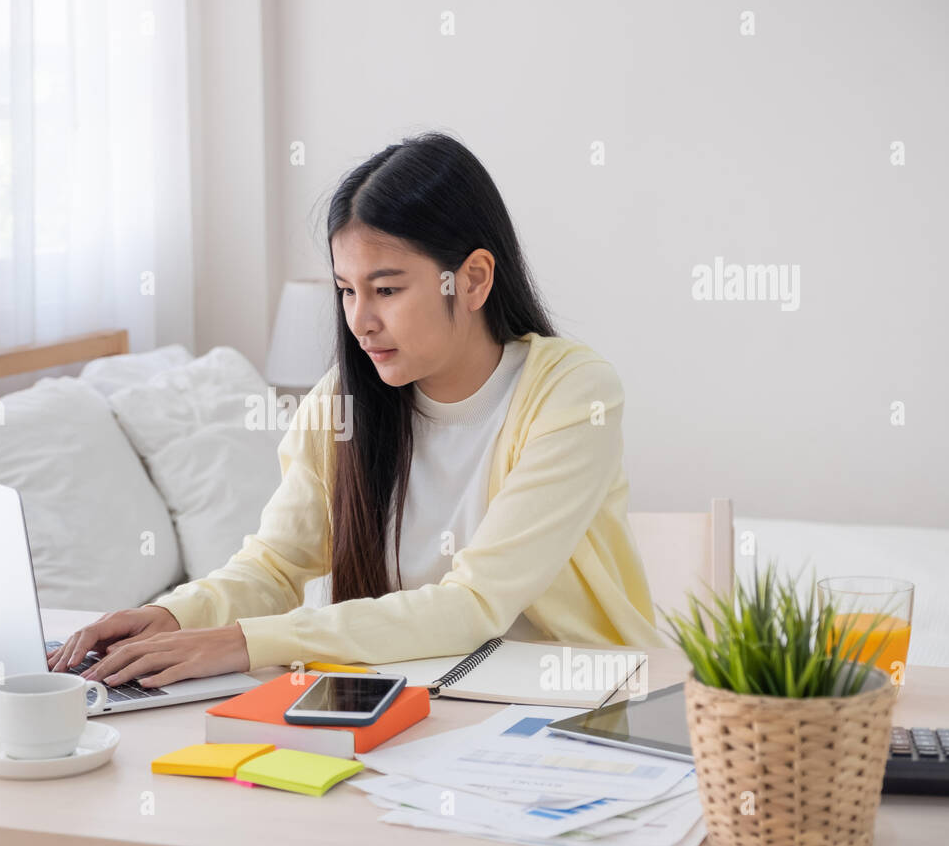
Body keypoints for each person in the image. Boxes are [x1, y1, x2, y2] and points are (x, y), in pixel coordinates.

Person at [48, 130, 666, 689]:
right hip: (415, 700)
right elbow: (277, 563)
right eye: (347, 290)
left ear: (473, 280)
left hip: (576, 705)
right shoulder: (340, 404)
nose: (360, 322)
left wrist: (243, 643)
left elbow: (475, 604)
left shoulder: (572, 392)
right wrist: (171, 614)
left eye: (387, 289)